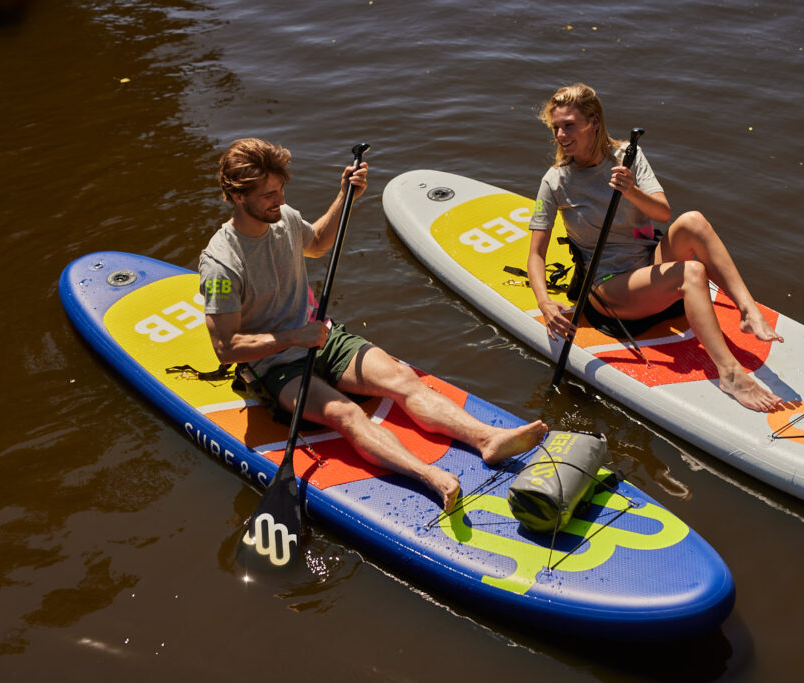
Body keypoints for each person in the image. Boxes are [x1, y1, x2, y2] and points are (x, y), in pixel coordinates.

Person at [199, 138, 547, 511]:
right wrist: (291, 337)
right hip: (277, 365)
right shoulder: (220, 263)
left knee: (402, 378)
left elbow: (316, 243)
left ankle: (488, 439)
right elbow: (226, 347)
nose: (280, 200)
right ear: (238, 197)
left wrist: (346, 196)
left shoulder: (282, 218)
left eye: (281, 189)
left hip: (322, 338)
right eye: (269, 194)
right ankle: (430, 476)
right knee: (345, 413)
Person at [527, 84, 783, 413]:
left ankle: (748, 311)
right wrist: (544, 302)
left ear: (593, 122)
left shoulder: (627, 157)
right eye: (556, 127)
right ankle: (730, 373)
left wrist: (631, 190)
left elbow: (663, 213)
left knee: (693, 221)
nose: (561, 135)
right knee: (692, 272)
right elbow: (536, 253)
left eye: (569, 125)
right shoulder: (555, 180)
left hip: (649, 262)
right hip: (608, 287)